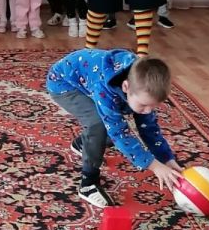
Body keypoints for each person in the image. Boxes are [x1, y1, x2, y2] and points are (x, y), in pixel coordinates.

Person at [46, 49, 181, 208]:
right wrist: (154, 166)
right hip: (62, 83)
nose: (148, 111)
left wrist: (167, 159)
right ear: (125, 86)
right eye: (144, 105)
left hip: (88, 78)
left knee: (114, 126)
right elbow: (119, 133)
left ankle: (81, 144)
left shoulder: (141, 88)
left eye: (154, 106)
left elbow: (149, 129)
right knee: (99, 124)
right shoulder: (105, 88)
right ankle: (88, 184)